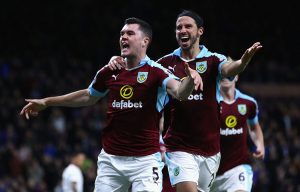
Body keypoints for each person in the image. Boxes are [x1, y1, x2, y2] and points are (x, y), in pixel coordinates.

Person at [20, 17, 202, 192]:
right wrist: (47, 101)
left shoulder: (156, 72)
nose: (123, 37)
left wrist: (190, 79)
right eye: (122, 34)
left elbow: (180, 92)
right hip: (111, 161)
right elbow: (87, 96)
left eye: (130, 33)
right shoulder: (110, 70)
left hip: (145, 161)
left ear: (145, 41)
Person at [106, 10, 262, 192]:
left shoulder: (213, 60)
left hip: (210, 149)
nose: (182, 30)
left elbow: (229, 69)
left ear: (200, 31)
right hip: (178, 146)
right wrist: (117, 59)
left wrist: (242, 62)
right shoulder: (165, 63)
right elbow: (140, 67)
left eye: (188, 26)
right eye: (178, 27)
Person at [210, 73, 265, 192]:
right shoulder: (209, 103)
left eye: (230, 74)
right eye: (222, 74)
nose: (226, 77)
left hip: (237, 168)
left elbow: (254, 126)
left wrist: (259, 144)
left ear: (236, 77)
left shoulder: (248, 103)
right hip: (210, 172)